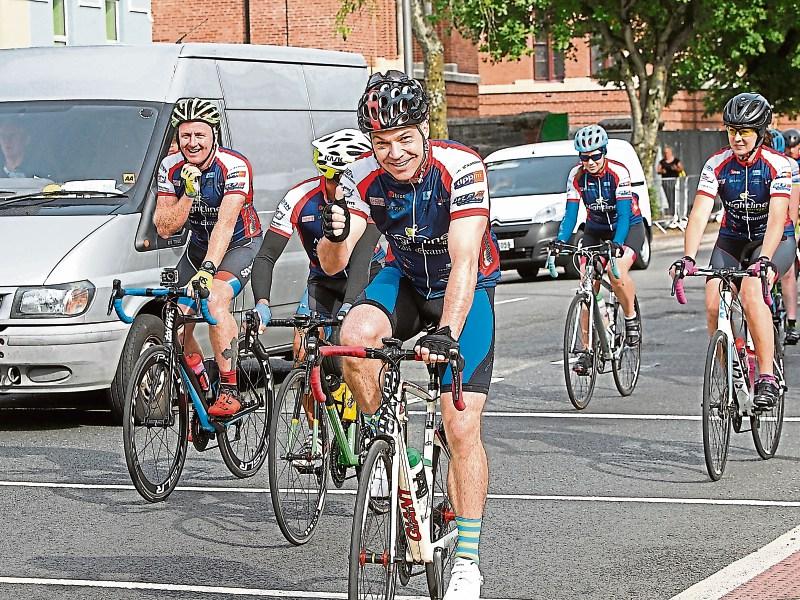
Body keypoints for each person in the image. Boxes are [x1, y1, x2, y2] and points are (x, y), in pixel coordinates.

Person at [317, 70, 499, 600]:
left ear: (424, 130)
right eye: (380, 142)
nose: (392, 152)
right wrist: (331, 234)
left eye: (403, 139)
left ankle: (466, 559)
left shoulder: (460, 168)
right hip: (406, 278)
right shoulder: (359, 178)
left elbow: (465, 258)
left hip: (464, 289)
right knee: (354, 338)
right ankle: (392, 452)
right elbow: (335, 262)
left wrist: (447, 333)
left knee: (461, 424)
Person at [671, 93, 794, 410]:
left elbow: (778, 218)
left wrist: (765, 261)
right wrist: (688, 257)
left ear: (761, 132)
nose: (737, 138)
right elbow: (699, 213)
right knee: (712, 299)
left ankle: (766, 376)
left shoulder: (777, 166)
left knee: (753, 292)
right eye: (731, 130)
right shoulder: (717, 165)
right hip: (733, 238)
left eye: (746, 131)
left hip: (774, 240)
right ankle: (727, 370)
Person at [155, 98, 263, 417]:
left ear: (213, 134)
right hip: (198, 247)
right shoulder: (169, 168)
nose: (192, 143)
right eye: (186, 136)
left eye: (199, 135)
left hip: (239, 244)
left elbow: (225, 224)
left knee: (214, 301)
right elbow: (164, 226)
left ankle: (230, 390)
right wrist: (188, 193)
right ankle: (203, 391)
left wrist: (208, 270)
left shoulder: (234, 166)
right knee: (174, 322)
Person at [250, 128, 385, 353]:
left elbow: (363, 254)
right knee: (302, 346)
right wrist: (262, 302)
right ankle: (309, 387)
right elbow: (267, 255)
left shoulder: (371, 196)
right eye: (332, 179)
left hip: (367, 274)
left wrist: (350, 303)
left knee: (355, 346)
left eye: (345, 180)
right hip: (323, 279)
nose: (339, 189)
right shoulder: (299, 197)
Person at [552, 124, 644, 374]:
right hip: (596, 229)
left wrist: (617, 244)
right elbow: (571, 215)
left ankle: (629, 316)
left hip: (628, 228)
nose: (590, 162)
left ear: (604, 152)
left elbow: (624, 216)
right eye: (584, 157)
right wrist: (560, 240)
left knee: (617, 273)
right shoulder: (576, 176)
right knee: (586, 287)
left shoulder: (618, 172)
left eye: (595, 156)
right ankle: (586, 351)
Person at [767, 129, 800, 344]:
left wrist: (791, 233)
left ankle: (791, 322)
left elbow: (792, 207)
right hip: (764, 226)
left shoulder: (790, 166)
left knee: (788, 273)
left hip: (786, 223)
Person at [657, 145, 686, 227]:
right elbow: (658, 170)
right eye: (664, 153)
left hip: (675, 182)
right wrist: (662, 171)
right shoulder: (662, 162)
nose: (665, 154)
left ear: (670, 152)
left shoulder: (676, 160)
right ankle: (671, 213)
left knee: (676, 198)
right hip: (666, 183)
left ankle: (678, 214)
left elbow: (681, 168)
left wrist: (675, 169)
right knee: (669, 198)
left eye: (667, 152)